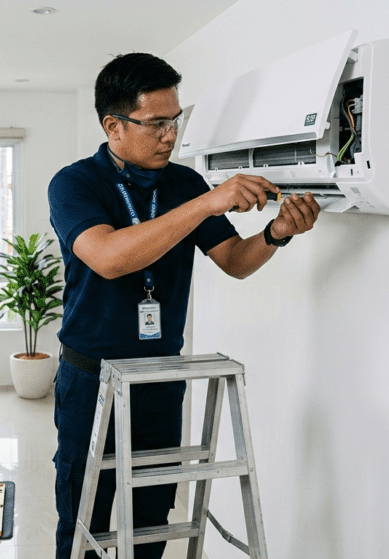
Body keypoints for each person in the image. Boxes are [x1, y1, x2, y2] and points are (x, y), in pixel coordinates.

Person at [48, 53, 320, 559]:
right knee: (85, 514)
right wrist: (206, 204)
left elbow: (235, 261)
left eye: (175, 121)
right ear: (114, 126)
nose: (171, 135)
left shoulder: (184, 184)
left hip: (159, 377)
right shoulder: (74, 184)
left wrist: (277, 233)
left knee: (153, 516)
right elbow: (108, 258)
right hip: (92, 378)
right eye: (157, 124)